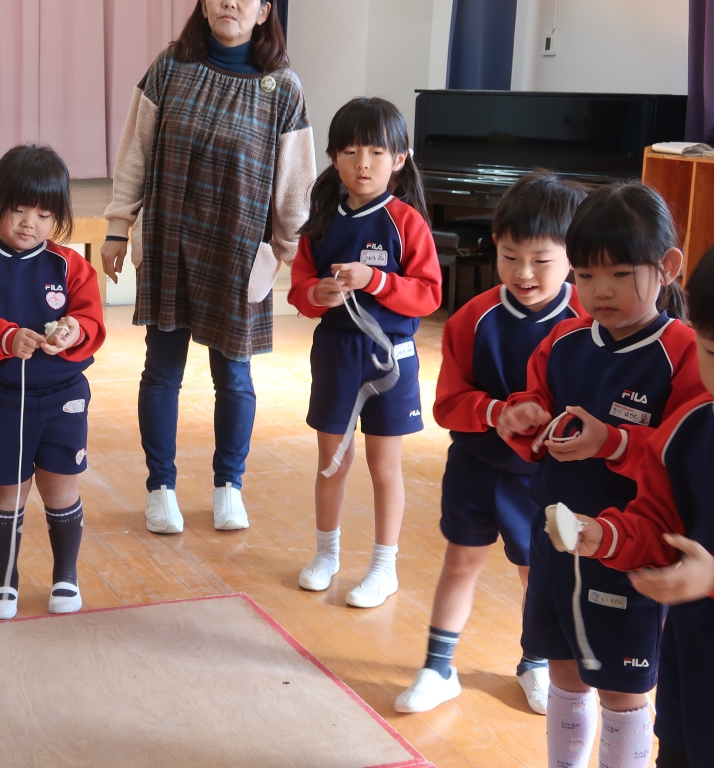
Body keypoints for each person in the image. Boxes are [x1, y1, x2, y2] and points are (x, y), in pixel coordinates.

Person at [496, 183, 706, 768]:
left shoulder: (684, 352)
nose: (600, 291)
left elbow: (682, 461)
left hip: (630, 556)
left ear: (667, 267)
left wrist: (610, 442)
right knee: (563, 673)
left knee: (621, 691)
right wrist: (522, 418)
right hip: (555, 543)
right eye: (586, 275)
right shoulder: (563, 339)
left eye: (619, 273)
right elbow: (534, 411)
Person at [101, 0, 316, 534]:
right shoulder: (170, 66)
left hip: (238, 250)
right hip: (169, 239)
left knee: (234, 376)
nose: (230, 3)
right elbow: (135, 151)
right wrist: (118, 226)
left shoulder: (283, 88)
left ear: (263, 12)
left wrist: (287, 254)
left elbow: (295, 185)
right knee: (161, 371)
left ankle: (229, 486)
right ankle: (160, 488)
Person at [395, 172, 586, 714]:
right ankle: (438, 668)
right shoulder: (471, 318)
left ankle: (535, 662)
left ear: (573, 256)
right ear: (495, 245)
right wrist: (497, 413)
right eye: (510, 256)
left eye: (541, 260)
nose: (523, 273)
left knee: (537, 574)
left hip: (545, 480)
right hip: (475, 465)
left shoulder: (586, 322)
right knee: (460, 562)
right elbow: (448, 403)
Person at [287, 97, 441, 610]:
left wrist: (375, 279)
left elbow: (429, 295)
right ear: (334, 157)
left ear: (399, 158)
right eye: (351, 152)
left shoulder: (406, 222)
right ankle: (325, 554)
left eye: (376, 152)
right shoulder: (322, 220)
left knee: (383, 466)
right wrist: (317, 294)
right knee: (332, 461)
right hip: (335, 353)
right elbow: (300, 289)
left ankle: (383, 567)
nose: (363, 164)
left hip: (391, 358)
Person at [0, 145, 105, 620]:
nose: (29, 223)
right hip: (1, 398)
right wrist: (6, 337)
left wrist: (74, 331)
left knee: (61, 489)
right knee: (7, 491)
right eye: (18, 210)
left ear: (58, 218)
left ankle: (65, 576)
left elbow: (91, 319)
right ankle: (5, 581)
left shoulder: (70, 265)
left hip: (64, 396)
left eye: (44, 214)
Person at [570, 246, 714, 768]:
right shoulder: (690, 430)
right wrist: (609, 537)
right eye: (713, 352)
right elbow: (657, 524)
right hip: (691, 674)